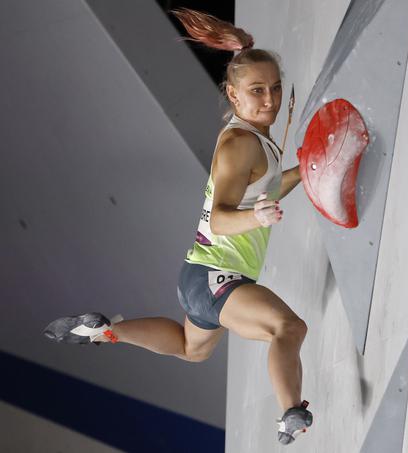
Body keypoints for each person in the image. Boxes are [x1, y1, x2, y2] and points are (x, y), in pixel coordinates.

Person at [43, 8, 312, 445]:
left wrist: (307, 170)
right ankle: (290, 413)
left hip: (198, 277)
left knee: (192, 350)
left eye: (276, 88)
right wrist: (258, 217)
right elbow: (224, 218)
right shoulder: (240, 143)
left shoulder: (253, 137)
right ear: (233, 94)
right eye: (257, 90)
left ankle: (104, 331)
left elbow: (266, 188)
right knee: (289, 328)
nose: (270, 100)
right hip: (216, 276)